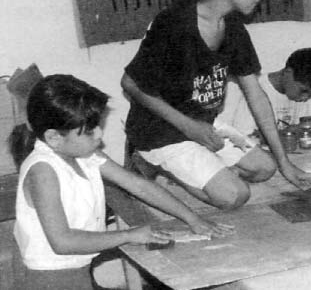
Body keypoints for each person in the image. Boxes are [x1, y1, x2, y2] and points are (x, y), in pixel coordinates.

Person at [121, 0, 311, 211]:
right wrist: (190, 128)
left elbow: (255, 94)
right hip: (160, 132)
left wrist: (285, 163)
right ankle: (151, 162)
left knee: (264, 169)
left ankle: (199, 167)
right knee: (235, 196)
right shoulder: (174, 25)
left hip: (202, 123)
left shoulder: (233, 27)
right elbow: (130, 84)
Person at [12, 75, 233, 290]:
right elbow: (63, 242)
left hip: (74, 270)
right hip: (48, 279)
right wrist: (130, 235)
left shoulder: (85, 155)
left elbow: (139, 185)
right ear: (53, 138)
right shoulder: (43, 171)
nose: (99, 134)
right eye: (89, 131)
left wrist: (192, 218)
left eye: (97, 126)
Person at [217, 48, 311, 136]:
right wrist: (285, 133)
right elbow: (244, 136)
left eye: (310, 96)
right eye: (303, 91)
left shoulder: (299, 99)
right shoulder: (256, 89)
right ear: (288, 73)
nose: (305, 98)